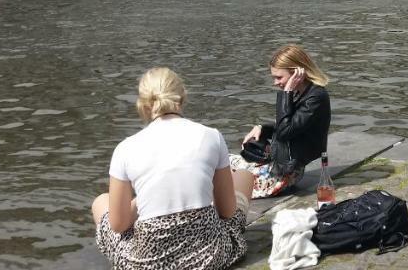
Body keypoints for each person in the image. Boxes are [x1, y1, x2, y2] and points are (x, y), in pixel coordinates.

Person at [92, 67, 246, 269]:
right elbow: (227, 211)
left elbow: (119, 225)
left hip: (145, 264)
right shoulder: (211, 135)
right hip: (208, 257)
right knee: (245, 175)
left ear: (144, 104)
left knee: (101, 201)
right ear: (182, 97)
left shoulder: (126, 148)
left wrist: (142, 201)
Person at [232, 45, 331, 199]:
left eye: (279, 77)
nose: (275, 82)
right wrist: (262, 128)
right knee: (222, 162)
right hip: (280, 164)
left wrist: (287, 93)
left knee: (227, 178)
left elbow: (285, 131)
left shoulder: (315, 97)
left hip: (285, 173)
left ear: (297, 73)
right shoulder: (302, 93)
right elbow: (291, 125)